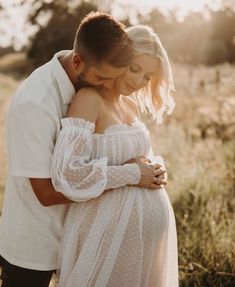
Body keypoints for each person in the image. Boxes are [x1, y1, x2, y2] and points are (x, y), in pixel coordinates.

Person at [0, 13, 166, 287]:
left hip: (82, 237)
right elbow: (46, 191)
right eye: (102, 78)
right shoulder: (36, 102)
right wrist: (131, 175)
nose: (106, 86)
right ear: (77, 62)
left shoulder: (88, 77)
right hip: (35, 246)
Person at [51, 25, 178, 287]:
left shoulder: (130, 106)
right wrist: (133, 174)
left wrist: (153, 168)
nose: (138, 81)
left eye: (147, 76)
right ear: (120, 58)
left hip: (145, 241)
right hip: (105, 236)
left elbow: (137, 162)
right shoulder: (89, 99)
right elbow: (67, 173)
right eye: (134, 68)